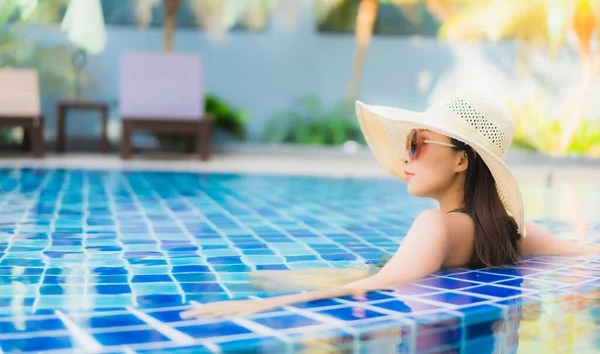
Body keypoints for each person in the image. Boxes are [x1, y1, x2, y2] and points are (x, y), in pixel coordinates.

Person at [180, 89, 599, 320]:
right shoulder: (513, 233)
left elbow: (371, 287)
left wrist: (252, 310)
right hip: (403, 277)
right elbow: (587, 256)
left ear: (460, 159)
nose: (404, 156)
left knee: (254, 283)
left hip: (375, 276)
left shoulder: (432, 227)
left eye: (417, 143)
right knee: (262, 277)